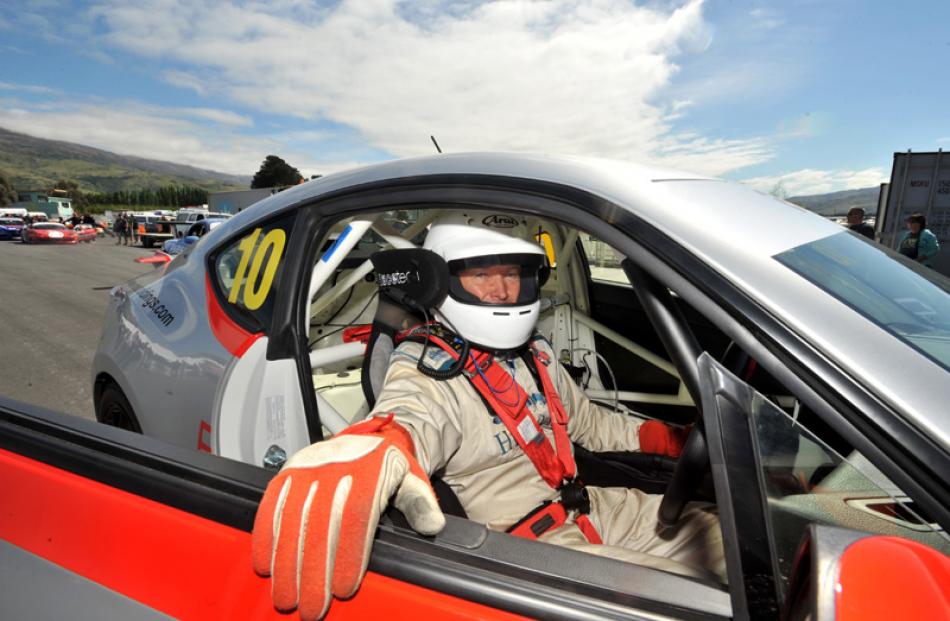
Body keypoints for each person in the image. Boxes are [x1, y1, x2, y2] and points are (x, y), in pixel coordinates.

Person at [252, 213, 725, 620]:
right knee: (705, 600)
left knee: (738, 541)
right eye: (481, 274)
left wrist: (684, 442)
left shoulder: (534, 352)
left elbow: (591, 426)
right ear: (442, 282)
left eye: (514, 273)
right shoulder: (426, 369)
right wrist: (381, 444)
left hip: (588, 505)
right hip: (527, 546)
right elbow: (409, 417)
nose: (502, 290)